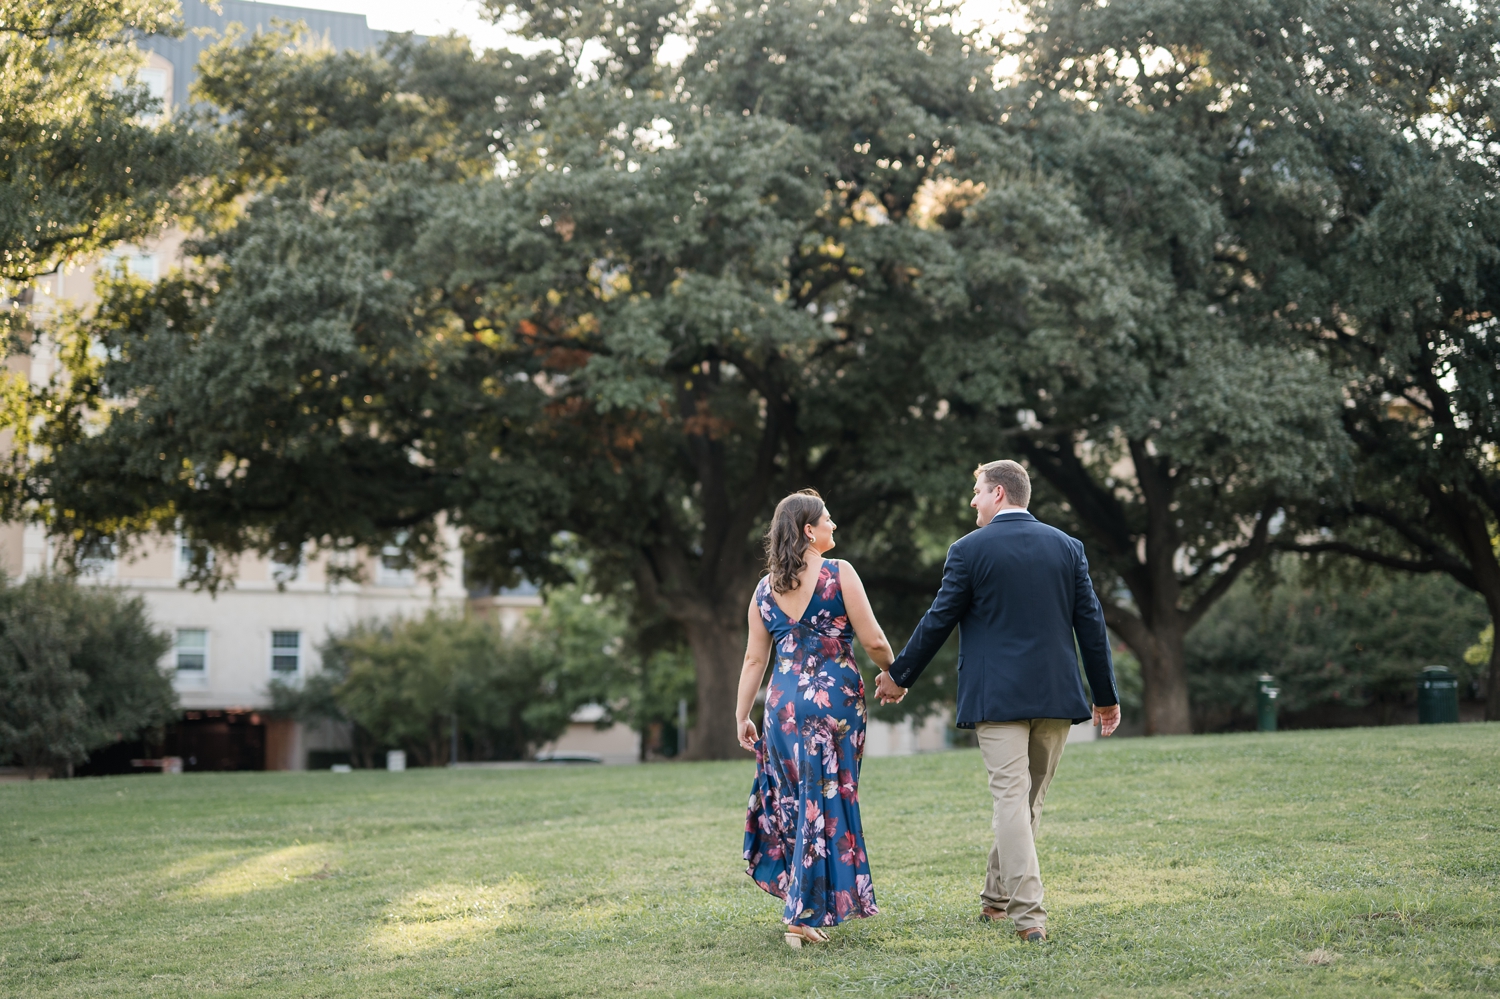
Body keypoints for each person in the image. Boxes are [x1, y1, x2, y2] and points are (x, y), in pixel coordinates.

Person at [874, 459, 1120, 943]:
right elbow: (1091, 626)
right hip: (1056, 695)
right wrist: (1105, 696)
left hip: (997, 698)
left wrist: (900, 676)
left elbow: (938, 619)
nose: (973, 501)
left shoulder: (967, 551)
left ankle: (1027, 916)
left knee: (1015, 800)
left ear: (1000, 494)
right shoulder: (1068, 548)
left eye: (978, 491)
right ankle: (997, 900)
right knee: (1024, 802)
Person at [736, 489, 895, 948]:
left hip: (783, 708)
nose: (834, 526)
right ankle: (801, 913)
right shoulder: (838, 573)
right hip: (835, 706)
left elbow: (752, 660)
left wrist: (741, 714)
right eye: (828, 519)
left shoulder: (765, 588)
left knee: (800, 803)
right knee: (826, 802)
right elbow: (876, 640)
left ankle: (804, 909)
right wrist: (891, 673)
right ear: (808, 530)